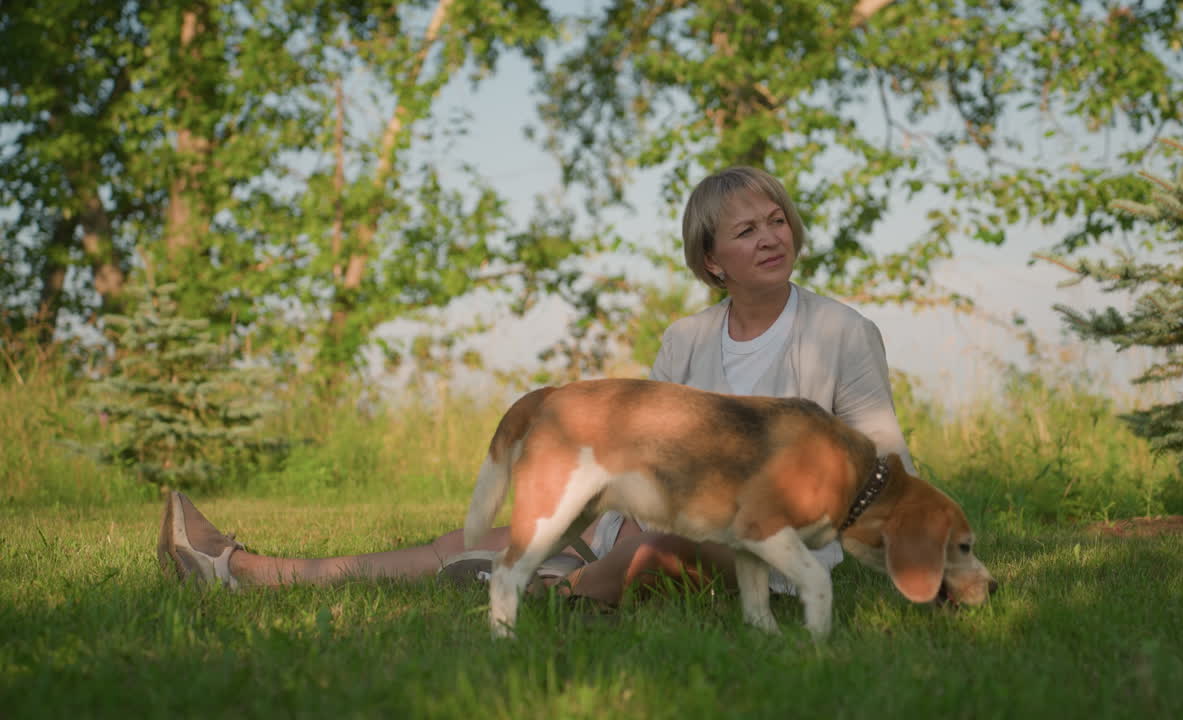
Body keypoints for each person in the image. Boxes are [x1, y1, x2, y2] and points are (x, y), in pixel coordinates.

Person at [157, 166, 916, 608]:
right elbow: (639, 453)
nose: (771, 237)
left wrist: (923, 557)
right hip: (651, 524)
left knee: (680, 537)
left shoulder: (841, 333)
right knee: (476, 543)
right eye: (747, 230)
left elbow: (885, 469)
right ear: (712, 260)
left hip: (763, 546)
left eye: (777, 220)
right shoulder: (685, 340)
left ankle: (582, 589)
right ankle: (252, 572)